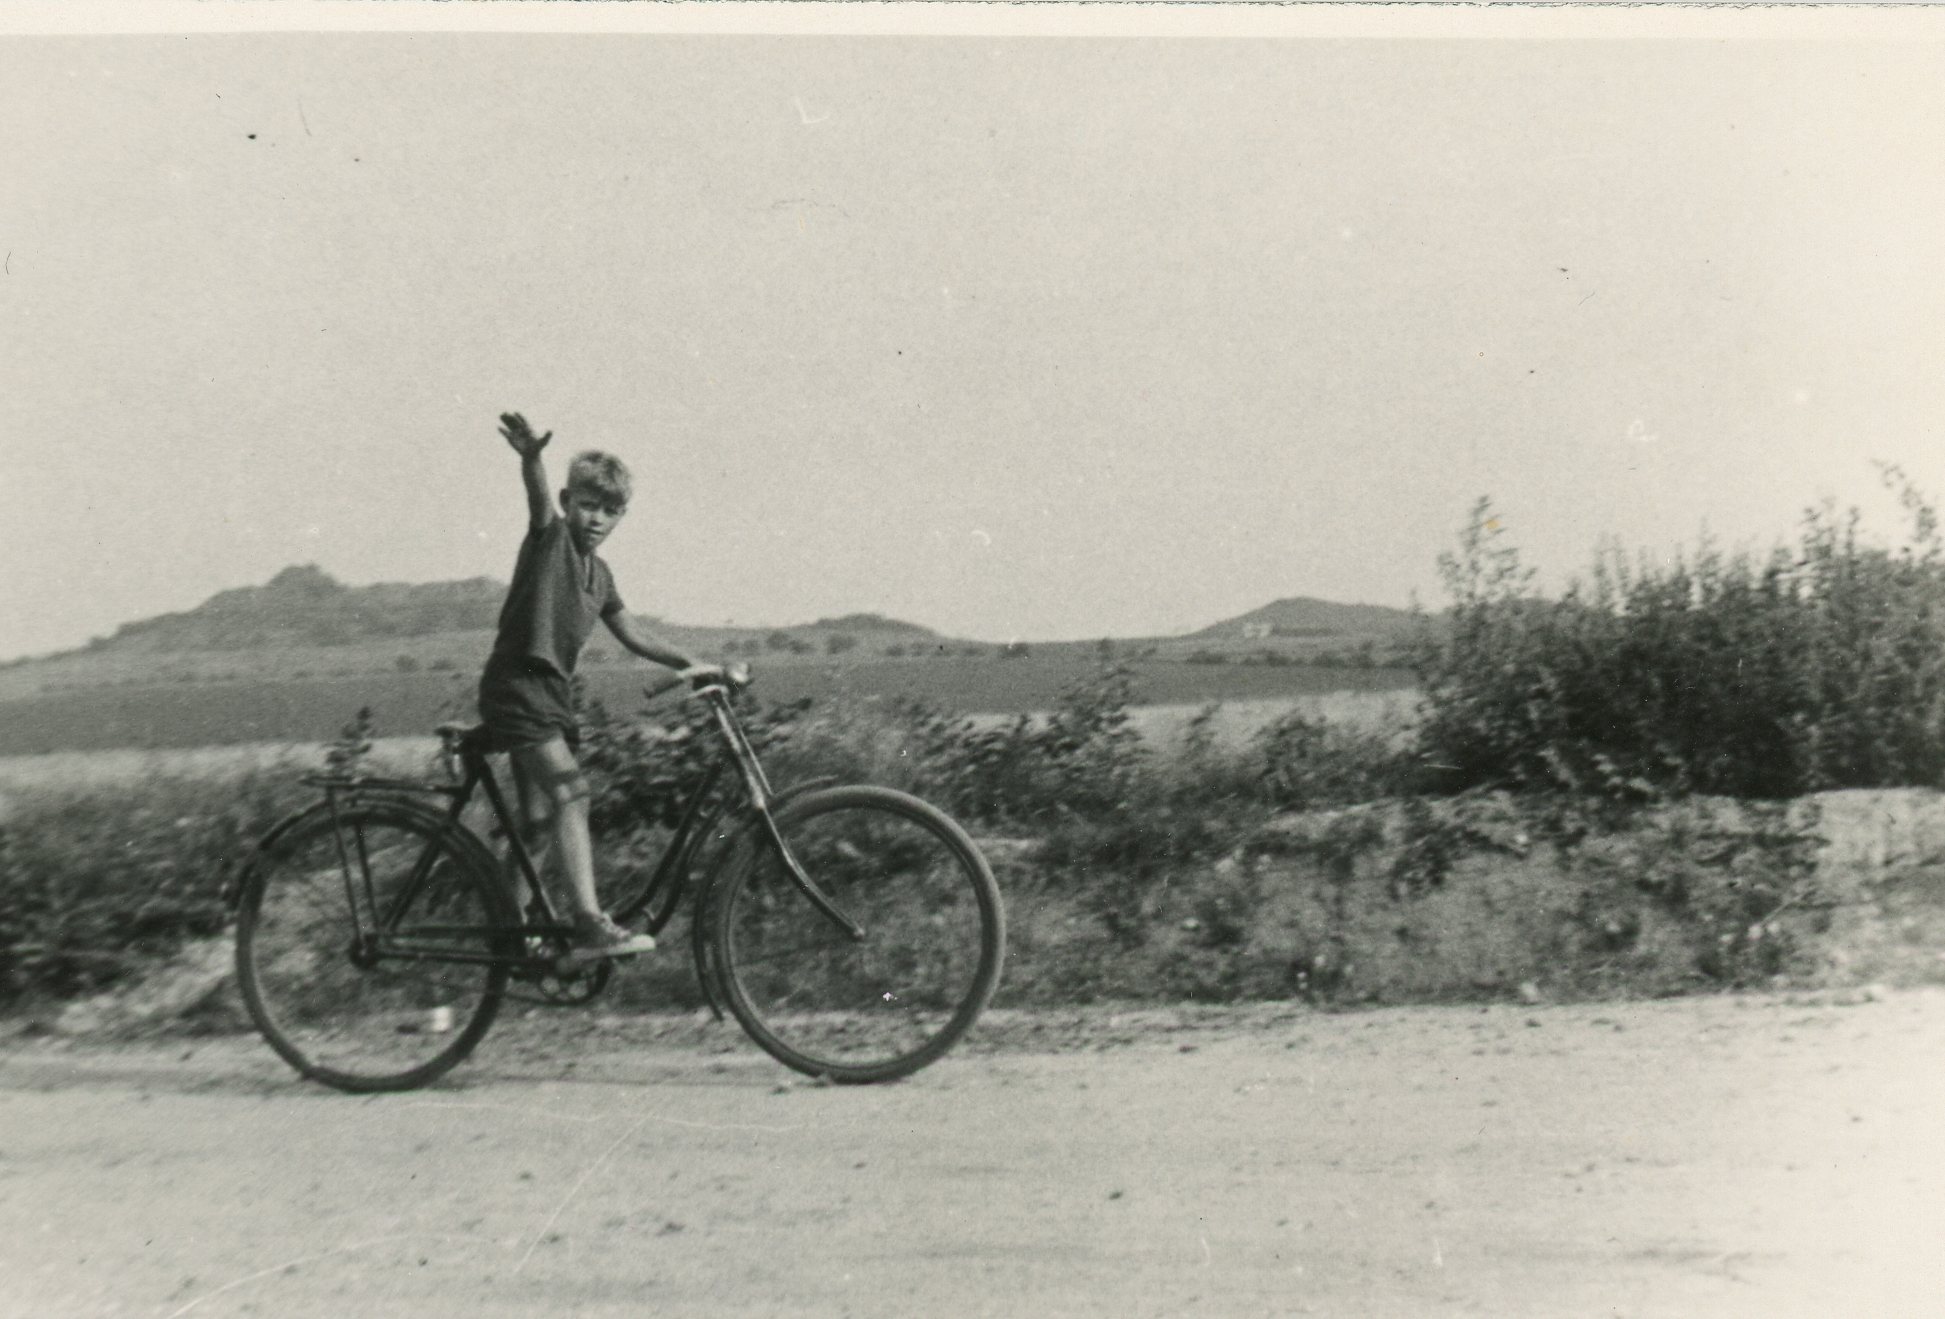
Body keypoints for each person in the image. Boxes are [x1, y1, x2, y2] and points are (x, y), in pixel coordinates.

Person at [478, 411, 719, 962]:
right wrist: (532, 459)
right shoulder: (551, 542)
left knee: (537, 825)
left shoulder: (600, 575)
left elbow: (632, 633)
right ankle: (588, 922)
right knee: (572, 794)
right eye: (588, 505)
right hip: (518, 687)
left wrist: (694, 662)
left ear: (621, 517)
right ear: (568, 501)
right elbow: (538, 503)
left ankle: (510, 942)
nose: (597, 520)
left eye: (610, 511)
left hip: (550, 697)